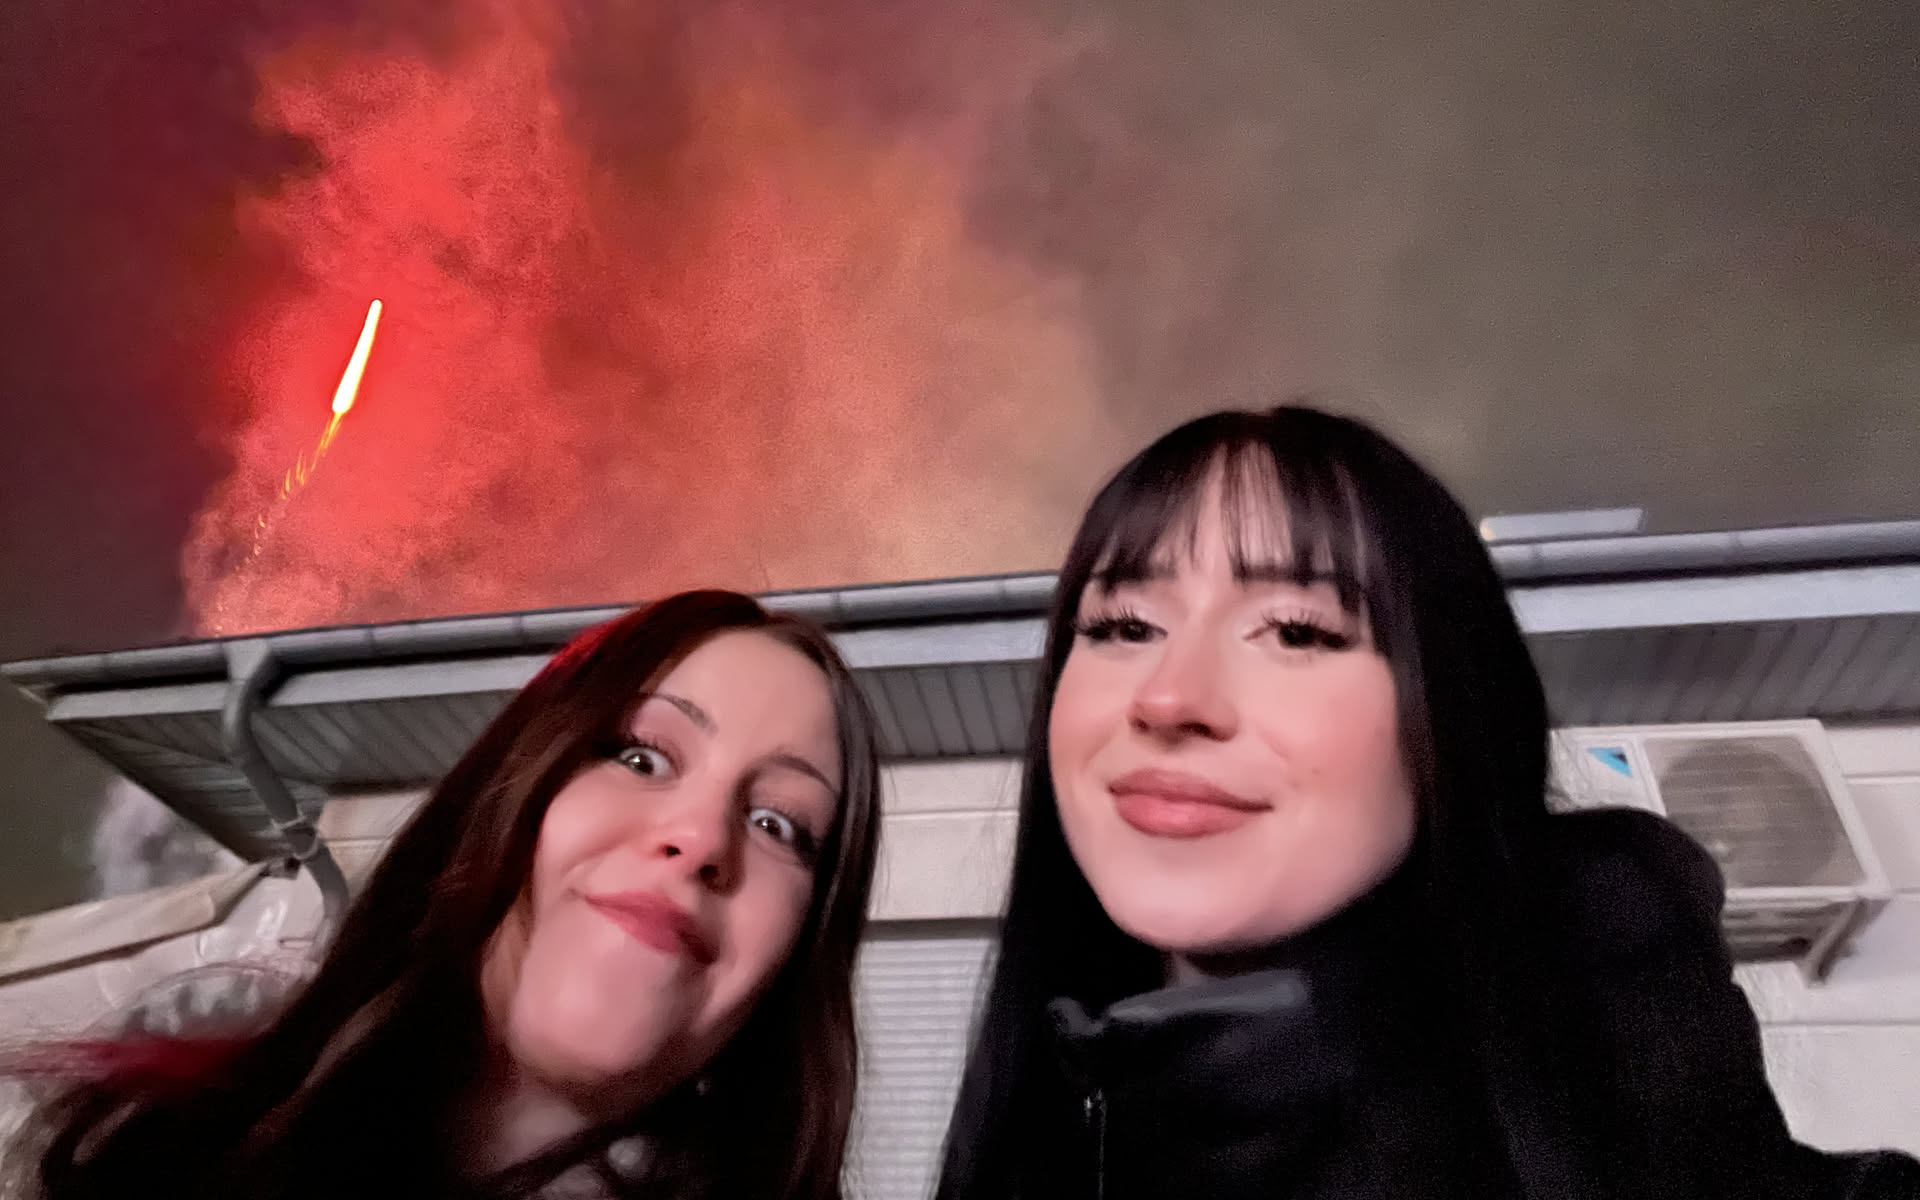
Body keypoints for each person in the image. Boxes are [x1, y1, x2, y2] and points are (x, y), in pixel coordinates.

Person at [934, 406, 1920, 1200]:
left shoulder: (1640, 1116)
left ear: (1452, 714)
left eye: (1298, 631)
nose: (1168, 698)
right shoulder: (1050, 1120)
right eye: (1121, 625)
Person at [7, 590, 882, 1200]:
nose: (702, 838)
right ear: (509, 787)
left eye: (779, 824)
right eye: (640, 756)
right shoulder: (142, 1150)